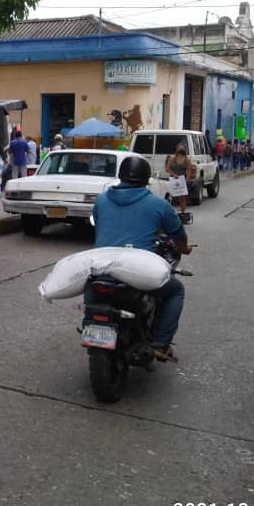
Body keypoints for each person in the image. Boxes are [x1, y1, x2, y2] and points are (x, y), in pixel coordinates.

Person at [91, 155, 191, 362]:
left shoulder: (101, 200)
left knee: (91, 290)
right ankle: (161, 343)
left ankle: (90, 326)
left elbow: (101, 225)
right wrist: (185, 248)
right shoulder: (157, 203)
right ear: (146, 179)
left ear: (120, 176)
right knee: (176, 290)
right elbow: (178, 234)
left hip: (101, 266)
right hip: (137, 271)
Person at [165, 143, 196, 217]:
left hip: (182, 180)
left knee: (182, 197)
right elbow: (167, 168)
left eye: (183, 149)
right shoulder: (173, 158)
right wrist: (174, 174)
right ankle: (169, 213)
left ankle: (183, 212)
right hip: (173, 179)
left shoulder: (187, 159)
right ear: (177, 149)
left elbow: (189, 170)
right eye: (180, 149)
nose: (181, 150)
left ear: (185, 150)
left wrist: (187, 179)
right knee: (170, 196)